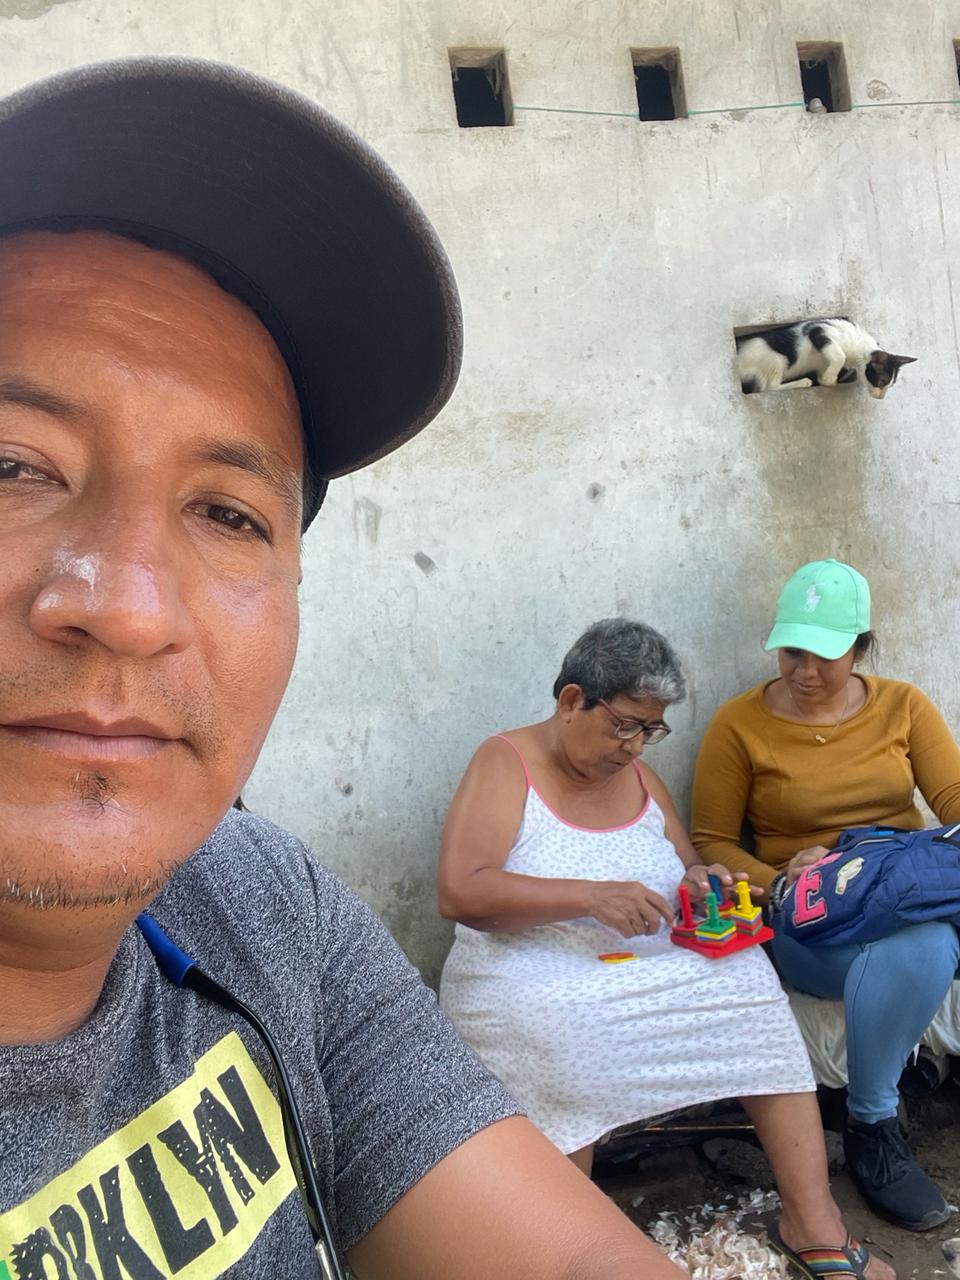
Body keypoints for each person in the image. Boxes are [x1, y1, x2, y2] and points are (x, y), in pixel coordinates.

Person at [0, 57, 691, 1280]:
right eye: (13, 464)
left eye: (228, 513)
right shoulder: (500, 767)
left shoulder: (256, 900)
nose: (130, 609)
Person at [438, 618, 892, 1280]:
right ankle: (566, 1248)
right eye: (624, 725)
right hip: (530, 967)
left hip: (644, 963)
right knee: (566, 1026)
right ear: (571, 701)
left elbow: (685, 869)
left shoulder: (640, 777)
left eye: (650, 730)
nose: (633, 746)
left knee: (749, 984)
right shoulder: (506, 762)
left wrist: (704, 884)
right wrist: (589, 897)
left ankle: (813, 1222)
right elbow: (460, 891)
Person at [691, 558, 960, 1234]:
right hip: (808, 917)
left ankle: (888, 1108)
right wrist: (782, 879)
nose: (805, 671)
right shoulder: (738, 724)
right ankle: (873, 1127)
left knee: (927, 932)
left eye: (825, 656)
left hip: (902, 891)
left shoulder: (903, 706)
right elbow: (711, 842)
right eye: (792, 652)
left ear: (861, 649)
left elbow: (955, 801)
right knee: (929, 945)